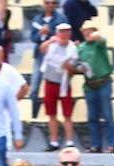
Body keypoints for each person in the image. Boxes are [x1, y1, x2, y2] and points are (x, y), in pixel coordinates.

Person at [73, 21, 114, 154]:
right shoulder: (81, 48)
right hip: (89, 85)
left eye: (90, 30)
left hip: (103, 83)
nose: (87, 33)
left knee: (108, 115)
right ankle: (95, 145)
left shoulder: (99, 44)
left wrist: (96, 35)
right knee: (92, 117)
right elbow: (76, 65)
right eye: (85, 30)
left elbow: (102, 40)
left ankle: (112, 144)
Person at [39, 23, 78, 151]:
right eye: (61, 32)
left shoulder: (72, 49)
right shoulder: (52, 45)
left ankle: (69, 141)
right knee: (52, 114)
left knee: (67, 114)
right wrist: (50, 40)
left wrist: (69, 68)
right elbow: (42, 49)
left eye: (66, 32)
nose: (64, 35)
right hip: (50, 82)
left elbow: (73, 71)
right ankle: (54, 141)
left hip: (64, 84)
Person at [29, 0, 68, 116]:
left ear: (56, 4)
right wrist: (41, 33)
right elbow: (33, 37)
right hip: (40, 56)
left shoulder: (61, 18)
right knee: (35, 86)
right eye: (47, 2)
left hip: (56, 56)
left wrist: (49, 33)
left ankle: (59, 114)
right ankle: (33, 114)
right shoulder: (37, 19)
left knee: (58, 86)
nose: (50, 5)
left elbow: (65, 36)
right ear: (44, 4)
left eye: (53, 2)